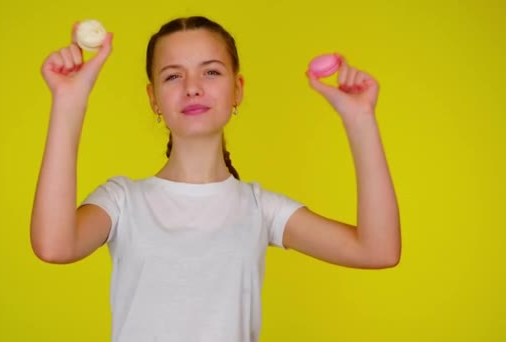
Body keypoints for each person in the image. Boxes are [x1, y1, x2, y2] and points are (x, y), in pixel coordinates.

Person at [30, 15, 401, 342]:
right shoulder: (123, 200)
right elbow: (54, 246)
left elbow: (378, 250)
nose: (192, 86)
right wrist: (68, 101)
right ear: (153, 99)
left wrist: (360, 119)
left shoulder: (260, 209)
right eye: (173, 75)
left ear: (237, 89)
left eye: (211, 71)